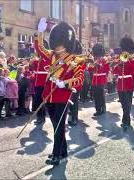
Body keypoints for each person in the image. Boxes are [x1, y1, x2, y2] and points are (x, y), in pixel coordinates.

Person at [34, 20, 84, 165]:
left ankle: (56, 155)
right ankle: (63, 151)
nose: (56, 46)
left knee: (59, 126)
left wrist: (65, 83)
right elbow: (39, 48)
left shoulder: (74, 59)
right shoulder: (51, 55)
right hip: (49, 96)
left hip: (62, 96)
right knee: (56, 125)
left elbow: (80, 79)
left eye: (59, 42)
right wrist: (40, 32)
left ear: (66, 42)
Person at [113, 37, 134, 131]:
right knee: (123, 104)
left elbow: (133, 71)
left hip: (128, 83)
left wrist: (127, 62)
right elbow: (114, 71)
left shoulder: (132, 61)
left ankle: (125, 121)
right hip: (120, 85)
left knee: (127, 103)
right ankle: (127, 120)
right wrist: (118, 64)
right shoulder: (120, 61)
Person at [89, 43, 110, 116]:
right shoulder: (94, 59)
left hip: (101, 79)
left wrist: (100, 66)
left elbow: (107, 69)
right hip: (95, 79)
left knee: (101, 95)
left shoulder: (105, 59)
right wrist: (92, 65)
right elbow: (89, 69)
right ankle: (98, 109)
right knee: (96, 95)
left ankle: (103, 108)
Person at [68, 40, 85, 127]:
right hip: (68, 83)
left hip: (76, 84)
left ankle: (75, 119)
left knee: (74, 101)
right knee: (70, 101)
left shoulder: (81, 60)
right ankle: (72, 115)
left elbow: (81, 70)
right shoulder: (69, 59)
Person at [31, 53, 50, 124]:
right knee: (37, 101)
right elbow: (31, 68)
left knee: (42, 101)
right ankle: (40, 117)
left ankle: (42, 117)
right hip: (37, 84)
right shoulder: (36, 62)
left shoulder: (47, 62)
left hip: (44, 84)